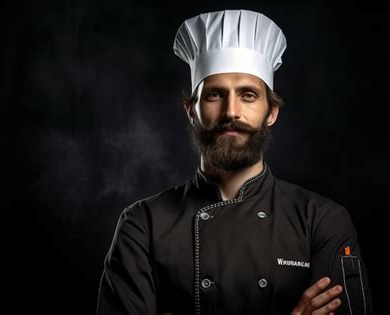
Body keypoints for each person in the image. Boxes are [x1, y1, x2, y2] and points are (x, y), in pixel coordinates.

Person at [97, 9, 373, 315]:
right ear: (192, 111)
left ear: (271, 113)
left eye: (248, 95)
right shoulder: (143, 223)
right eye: (215, 94)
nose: (231, 111)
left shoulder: (322, 221)